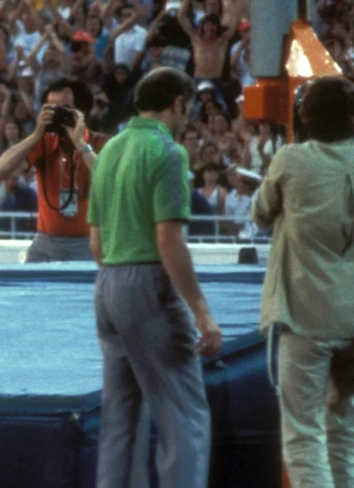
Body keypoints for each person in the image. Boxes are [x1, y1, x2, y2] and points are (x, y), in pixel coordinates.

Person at [255, 76, 354, 488]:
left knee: (304, 438)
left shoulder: (290, 159)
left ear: (306, 117)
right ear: (353, 117)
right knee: (345, 438)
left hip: (304, 319)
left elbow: (260, 213)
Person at [88, 67, 222, 488]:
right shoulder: (168, 153)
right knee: (183, 416)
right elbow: (169, 241)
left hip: (108, 283)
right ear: (178, 103)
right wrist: (201, 310)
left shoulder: (110, 149)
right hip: (147, 286)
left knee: (120, 420)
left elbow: (96, 240)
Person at [0, 77, 107, 262]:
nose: (57, 115)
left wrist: (79, 143)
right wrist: (36, 134)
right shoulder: (43, 143)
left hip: (88, 241)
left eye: (64, 109)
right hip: (46, 241)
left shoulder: (101, 142)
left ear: (82, 111)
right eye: (51, 109)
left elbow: (109, 177)